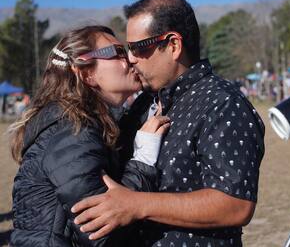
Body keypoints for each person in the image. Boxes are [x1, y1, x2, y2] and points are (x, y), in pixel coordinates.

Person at [71, 0, 265, 246]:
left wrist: (136, 204)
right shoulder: (144, 102)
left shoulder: (222, 103)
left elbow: (235, 204)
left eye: (138, 48)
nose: (130, 58)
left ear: (173, 45)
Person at [9, 25, 170, 247]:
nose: (132, 59)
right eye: (119, 53)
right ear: (88, 74)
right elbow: (101, 232)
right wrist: (143, 157)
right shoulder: (71, 130)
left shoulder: (87, 123)